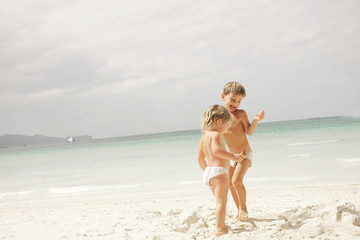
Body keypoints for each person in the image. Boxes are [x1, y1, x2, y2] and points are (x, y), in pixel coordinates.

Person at [197, 104, 245, 236]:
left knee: (219, 201)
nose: (226, 131)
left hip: (208, 173)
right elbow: (216, 150)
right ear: (219, 122)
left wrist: (207, 172)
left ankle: (222, 223)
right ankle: (219, 228)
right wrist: (234, 156)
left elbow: (200, 158)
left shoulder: (203, 137)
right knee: (221, 202)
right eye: (226, 126)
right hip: (218, 173)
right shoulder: (216, 135)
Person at [221, 82, 265, 221]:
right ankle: (239, 209)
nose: (235, 103)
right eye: (233, 99)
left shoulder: (240, 114)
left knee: (236, 181)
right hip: (232, 156)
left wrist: (256, 120)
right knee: (230, 184)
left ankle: (244, 208)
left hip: (245, 153)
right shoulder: (218, 116)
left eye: (239, 101)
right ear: (223, 96)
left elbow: (249, 132)